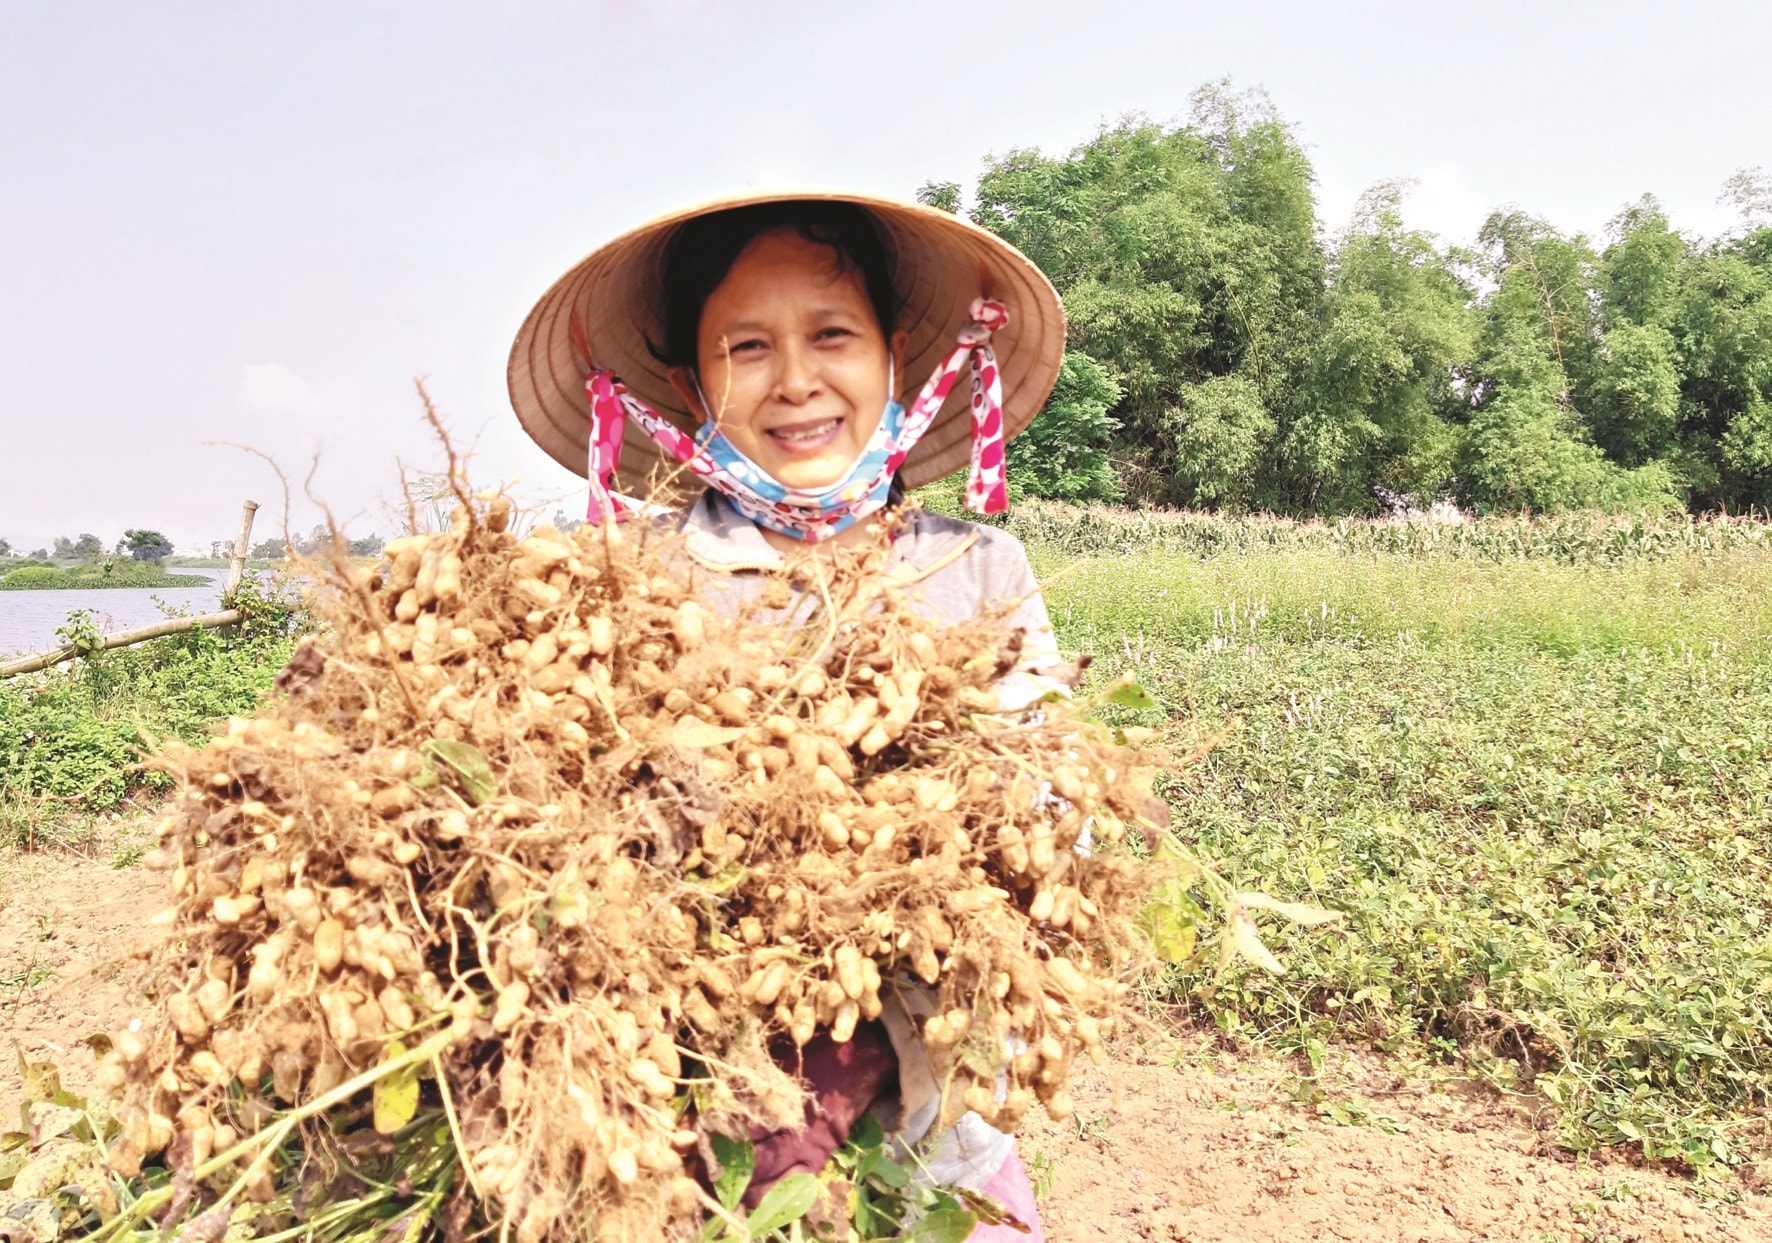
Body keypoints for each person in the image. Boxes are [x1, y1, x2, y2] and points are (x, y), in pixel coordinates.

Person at [508, 191, 1068, 1240]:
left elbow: (1052, 808)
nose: (797, 379)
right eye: (747, 346)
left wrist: (944, 824)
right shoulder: (634, 581)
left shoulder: (977, 567)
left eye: (831, 335)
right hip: (692, 1130)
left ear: (896, 355)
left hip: (930, 1124)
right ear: (688, 383)